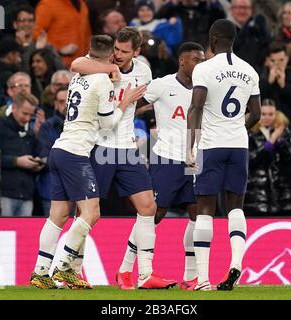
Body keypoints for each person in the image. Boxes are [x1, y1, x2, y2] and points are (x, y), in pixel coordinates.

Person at [29, 35, 146, 289]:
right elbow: (107, 123)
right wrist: (125, 102)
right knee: (92, 213)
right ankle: (63, 266)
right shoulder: (103, 81)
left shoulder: (77, 77)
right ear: (109, 55)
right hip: (75, 153)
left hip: (59, 149)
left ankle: (40, 271)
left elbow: (80, 64)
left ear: (89, 52)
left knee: (58, 215)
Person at [70, 27, 176, 290]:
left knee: (148, 207)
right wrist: (107, 71)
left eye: (123, 51)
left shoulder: (143, 71)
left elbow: (139, 103)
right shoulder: (98, 63)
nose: (117, 55)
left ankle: (145, 274)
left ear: (136, 52)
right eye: (116, 48)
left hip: (127, 148)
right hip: (99, 146)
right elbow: (75, 63)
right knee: (86, 212)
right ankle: (72, 271)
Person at [117, 42, 205, 291]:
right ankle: (125, 270)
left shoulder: (205, 88)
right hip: (167, 158)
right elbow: (133, 104)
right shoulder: (162, 84)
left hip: (195, 160)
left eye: (202, 60)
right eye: (196, 60)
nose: (200, 64)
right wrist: (121, 124)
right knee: (153, 215)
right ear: (182, 61)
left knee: (198, 214)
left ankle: (191, 276)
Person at [186, 19, 261, 291]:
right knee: (236, 207)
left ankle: (203, 279)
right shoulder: (249, 70)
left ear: (213, 38)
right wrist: (238, 128)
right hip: (239, 145)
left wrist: (189, 146)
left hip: (211, 144)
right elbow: (258, 114)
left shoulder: (204, 69)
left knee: (205, 208)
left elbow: (195, 108)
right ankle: (237, 262)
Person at [0, 92, 43, 217]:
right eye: (25, 113)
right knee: (4, 232)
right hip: (4, 193)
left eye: (31, 115)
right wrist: (16, 161)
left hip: (27, 194)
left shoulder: (30, 132)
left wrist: (38, 162)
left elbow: (39, 153)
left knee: (24, 235)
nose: (27, 119)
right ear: (13, 108)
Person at [244, 99, 291, 216]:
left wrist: (281, 143)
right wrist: (270, 143)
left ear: (276, 114)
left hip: (282, 194)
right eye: (263, 114)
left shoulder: (284, 132)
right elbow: (249, 161)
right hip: (256, 194)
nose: (267, 118)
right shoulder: (248, 133)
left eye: (271, 114)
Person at [36, 86, 68, 216]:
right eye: (61, 102)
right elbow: (45, 158)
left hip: (79, 192)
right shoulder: (47, 127)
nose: (66, 105)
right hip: (52, 191)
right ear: (55, 104)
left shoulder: (87, 126)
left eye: (69, 100)